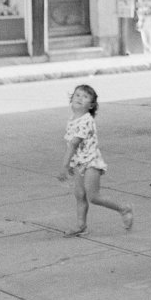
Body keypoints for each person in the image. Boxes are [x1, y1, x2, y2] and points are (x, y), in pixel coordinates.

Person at [58, 85, 133, 236]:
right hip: (79, 162)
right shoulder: (73, 119)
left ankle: (123, 208)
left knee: (93, 196)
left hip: (91, 162)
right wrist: (72, 163)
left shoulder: (86, 120)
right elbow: (72, 145)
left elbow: (74, 144)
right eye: (77, 95)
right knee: (79, 194)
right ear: (71, 99)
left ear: (91, 105)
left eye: (85, 97)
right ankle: (81, 226)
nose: (80, 98)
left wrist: (64, 166)